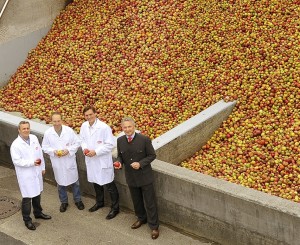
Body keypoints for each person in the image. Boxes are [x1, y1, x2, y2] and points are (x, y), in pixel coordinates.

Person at [114, 117, 159, 239]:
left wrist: (140, 163)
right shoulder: (120, 140)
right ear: (122, 128)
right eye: (125, 127)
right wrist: (119, 163)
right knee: (137, 201)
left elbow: (152, 155)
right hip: (131, 177)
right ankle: (141, 218)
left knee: (150, 202)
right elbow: (120, 156)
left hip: (145, 176)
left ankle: (154, 227)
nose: (127, 129)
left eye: (129, 127)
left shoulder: (144, 139)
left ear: (134, 127)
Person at [79, 105, 119, 220]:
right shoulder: (84, 126)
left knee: (110, 185)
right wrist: (85, 149)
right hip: (91, 161)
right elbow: (82, 140)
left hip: (102, 160)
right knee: (96, 183)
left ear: (95, 114)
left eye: (91, 114)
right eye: (86, 115)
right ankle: (99, 202)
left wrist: (96, 152)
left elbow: (110, 144)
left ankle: (115, 208)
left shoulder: (104, 127)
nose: (89, 117)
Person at [10, 121, 51, 231]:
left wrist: (42, 167)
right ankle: (27, 220)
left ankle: (38, 213)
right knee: (27, 198)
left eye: (28, 128)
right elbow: (17, 161)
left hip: (37, 171)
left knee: (37, 194)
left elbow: (40, 154)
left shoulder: (33, 138)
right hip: (26, 175)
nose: (26, 130)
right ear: (19, 130)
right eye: (24, 128)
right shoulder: (15, 145)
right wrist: (32, 163)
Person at [42, 112, 84, 212]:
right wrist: (53, 151)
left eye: (58, 121)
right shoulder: (48, 133)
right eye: (54, 121)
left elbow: (77, 142)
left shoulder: (68, 131)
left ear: (62, 120)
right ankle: (64, 202)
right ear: (51, 121)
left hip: (69, 161)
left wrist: (68, 150)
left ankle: (78, 200)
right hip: (58, 162)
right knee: (60, 184)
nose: (57, 123)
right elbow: (44, 147)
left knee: (75, 183)